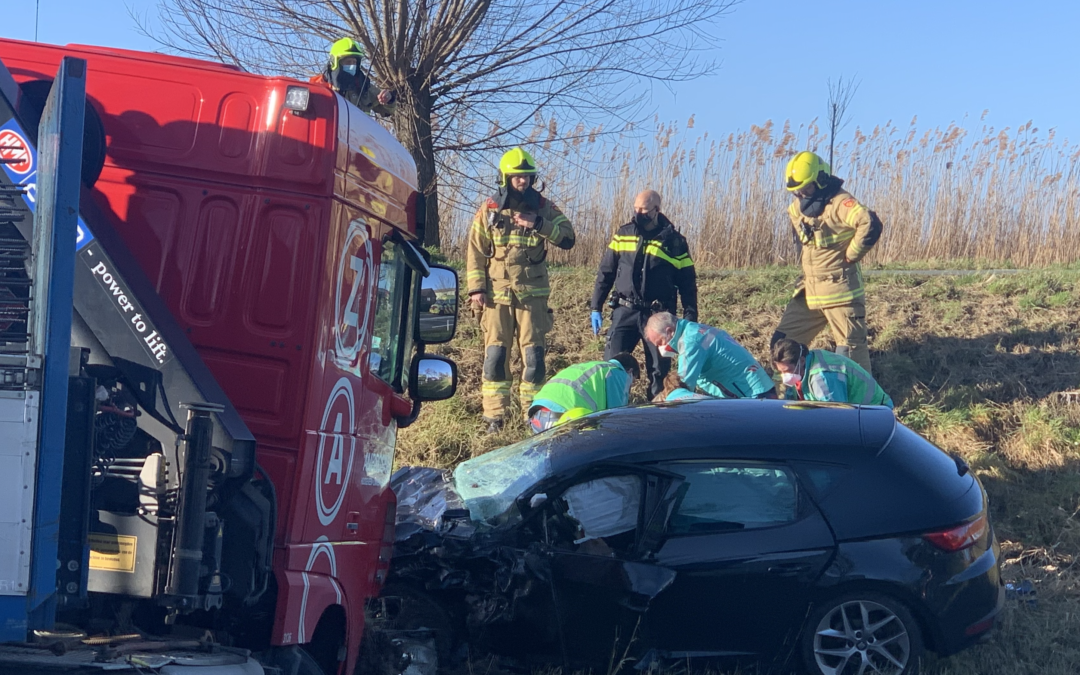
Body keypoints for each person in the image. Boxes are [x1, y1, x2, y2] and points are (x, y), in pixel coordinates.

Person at [466, 147, 576, 433]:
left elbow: (568, 237)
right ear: (505, 177)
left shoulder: (543, 207)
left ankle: (534, 416)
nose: (523, 182)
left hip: (532, 295)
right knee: (495, 356)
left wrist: (539, 224)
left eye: (527, 177)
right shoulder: (489, 208)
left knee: (534, 357)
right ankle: (494, 417)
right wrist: (477, 289)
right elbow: (476, 252)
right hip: (495, 295)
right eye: (517, 177)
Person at [771, 151, 884, 373]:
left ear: (822, 180)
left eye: (806, 189)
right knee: (783, 344)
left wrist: (852, 254)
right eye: (796, 192)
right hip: (810, 291)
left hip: (840, 292)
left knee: (850, 356)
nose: (801, 196)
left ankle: (858, 405)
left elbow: (870, 224)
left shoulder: (842, 203)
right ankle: (793, 394)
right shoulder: (796, 209)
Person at [591, 190, 697, 398]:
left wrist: (690, 318)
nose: (638, 213)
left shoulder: (675, 242)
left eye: (644, 210)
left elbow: (687, 284)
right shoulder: (624, 234)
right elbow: (606, 272)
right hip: (625, 310)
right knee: (612, 368)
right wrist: (596, 306)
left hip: (657, 316)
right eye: (636, 208)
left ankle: (657, 417)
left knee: (659, 373)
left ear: (657, 210)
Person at [644, 312, 776, 399]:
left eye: (660, 342)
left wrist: (656, 406)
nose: (660, 348)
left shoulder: (690, 342)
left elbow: (681, 387)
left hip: (751, 394)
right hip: (755, 387)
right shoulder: (693, 330)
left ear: (669, 331)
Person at [527, 353, 640, 434]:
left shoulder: (593, 368)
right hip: (562, 416)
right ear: (629, 372)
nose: (630, 388)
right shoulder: (617, 371)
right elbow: (617, 418)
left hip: (536, 415)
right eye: (632, 382)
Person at [771, 338, 893, 408]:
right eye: (780, 372)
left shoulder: (823, 378)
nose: (784, 377)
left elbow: (835, 418)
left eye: (787, 371)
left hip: (874, 414)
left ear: (801, 361)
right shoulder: (807, 362)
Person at [315, 38, 396, 117]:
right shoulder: (319, 87)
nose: (352, 66)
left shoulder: (364, 87)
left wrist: (389, 98)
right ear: (335, 62)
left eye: (354, 62)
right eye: (348, 62)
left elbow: (387, 111)